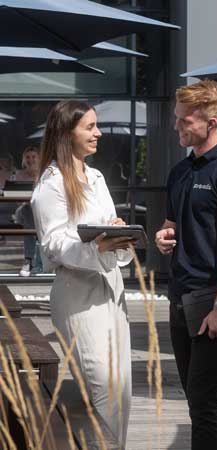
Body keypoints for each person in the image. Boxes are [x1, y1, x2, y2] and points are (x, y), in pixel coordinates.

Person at [155, 80, 217, 450]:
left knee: (202, 398)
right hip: (180, 297)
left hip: (215, 302)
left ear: (212, 121)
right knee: (203, 398)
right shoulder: (181, 172)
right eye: (177, 118)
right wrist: (164, 236)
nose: (177, 126)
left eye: (186, 121)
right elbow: (172, 225)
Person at [31, 100, 134, 446]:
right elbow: (54, 244)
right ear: (66, 132)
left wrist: (118, 231)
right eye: (89, 127)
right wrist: (97, 248)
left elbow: (104, 227)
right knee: (102, 387)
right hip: (78, 296)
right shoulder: (51, 184)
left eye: (96, 125)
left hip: (111, 290)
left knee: (121, 392)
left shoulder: (96, 176)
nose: (98, 133)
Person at [15, 146, 41, 276]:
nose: (31, 160)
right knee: (27, 210)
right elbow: (17, 199)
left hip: (43, 211)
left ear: (39, 158)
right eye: (28, 157)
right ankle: (30, 260)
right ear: (24, 160)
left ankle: (29, 260)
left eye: (33, 157)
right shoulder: (19, 174)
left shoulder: (45, 173)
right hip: (25, 211)